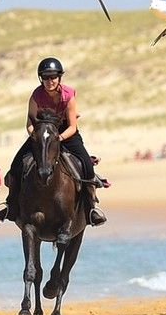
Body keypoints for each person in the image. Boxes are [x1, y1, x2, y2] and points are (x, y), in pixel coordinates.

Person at [9, 57, 107, 227]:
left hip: (64, 133)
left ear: (59, 77)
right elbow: (30, 124)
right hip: (42, 135)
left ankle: (91, 208)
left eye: (53, 77)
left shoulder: (68, 94)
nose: (49, 81)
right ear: (41, 79)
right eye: (45, 77)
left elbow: (72, 127)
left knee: (86, 164)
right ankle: (11, 205)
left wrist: (58, 139)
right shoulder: (36, 95)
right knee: (16, 164)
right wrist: (37, 137)